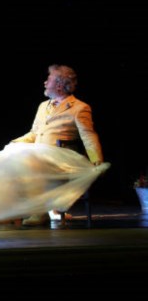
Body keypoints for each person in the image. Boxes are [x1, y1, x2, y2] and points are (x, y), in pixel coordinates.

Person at [11, 64, 104, 225]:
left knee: (31, 163)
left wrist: (96, 160)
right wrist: (15, 143)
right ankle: (12, 212)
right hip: (39, 154)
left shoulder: (79, 108)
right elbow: (34, 133)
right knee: (8, 159)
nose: (45, 83)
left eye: (49, 79)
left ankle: (40, 212)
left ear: (59, 85)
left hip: (60, 157)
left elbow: (88, 136)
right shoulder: (43, 106)